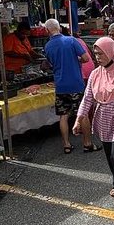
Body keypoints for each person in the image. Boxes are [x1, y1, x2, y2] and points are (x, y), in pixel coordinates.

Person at [74, 37, 114, 209]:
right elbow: (87, 98)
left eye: (101, 53)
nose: (97, 57)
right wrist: (79, 120)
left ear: (111, 52)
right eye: (95, 53)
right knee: (109, 155)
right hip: (102, 120)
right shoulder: (96, 74)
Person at [43, 18, 95, 154]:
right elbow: (86, 58)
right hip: (76, 83)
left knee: (63, 115)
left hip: (60, 85)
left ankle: (66, 144)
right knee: (82, 113)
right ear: (59, 28)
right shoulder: (71, 40)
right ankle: (87, 143)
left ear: (47, 30)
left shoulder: (47, 46)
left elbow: (50, 64)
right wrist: (75, 59)